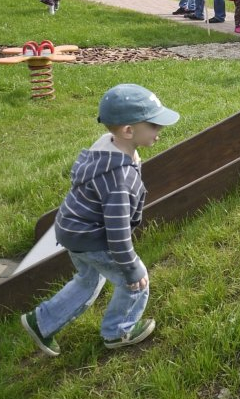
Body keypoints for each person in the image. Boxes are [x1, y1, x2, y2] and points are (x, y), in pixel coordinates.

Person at [20, 84, 179, 356]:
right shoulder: (119, 179)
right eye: (153, 125)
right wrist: (130, 267)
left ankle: (42, 321)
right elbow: (117, 232)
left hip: (71, 230)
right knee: (136, 283)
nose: (159, 131)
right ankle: (118, 331)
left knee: (88, 280)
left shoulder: (108, 146)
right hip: (92, 238)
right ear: (128, 131)